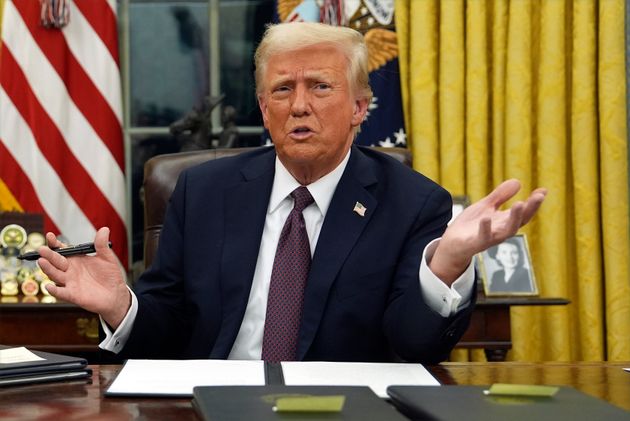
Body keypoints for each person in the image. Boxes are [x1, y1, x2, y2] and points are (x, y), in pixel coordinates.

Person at [37, 22, 547, 364]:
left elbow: (414, 348)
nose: (299, 105)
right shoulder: (204, 191)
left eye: (320, 87)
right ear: (263, 108)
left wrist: (446, 266)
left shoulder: (414, 203)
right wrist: (120, 307)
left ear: (359, 108)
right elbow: (167, 331)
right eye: (283, 89)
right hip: (212, 405)